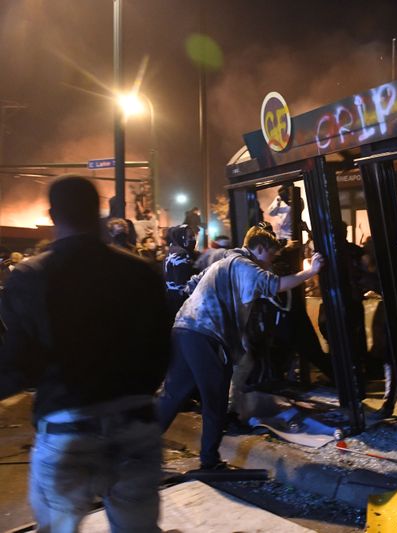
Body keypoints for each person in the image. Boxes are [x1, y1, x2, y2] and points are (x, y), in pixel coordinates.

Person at [0, 175, 171, 532]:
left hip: (67, 430)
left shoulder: (30, 276)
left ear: (51, 215)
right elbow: (161, 351)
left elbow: (19, 364)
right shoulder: (141, 273)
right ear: (100, 213)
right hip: (135, 425)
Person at [156, 225, 324, 470]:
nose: (270, 262)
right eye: (270, 255)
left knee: (172, 396)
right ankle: (210, 461)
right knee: (215, 399)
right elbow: (275, 285)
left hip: (184, 329)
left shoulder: (223, 262)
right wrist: (311, 271)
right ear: (258, 248)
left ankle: (137, 452)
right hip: (206, 335)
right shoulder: (243, 265)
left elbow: (190, 287)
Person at [164, 224, 198, 320]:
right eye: (190, 237)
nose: (193, 240)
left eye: (193, 236)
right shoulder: (181, 254)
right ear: (181, 237)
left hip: (171, 299)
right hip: (181, 302)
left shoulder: (171, 251)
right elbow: (183, 282)